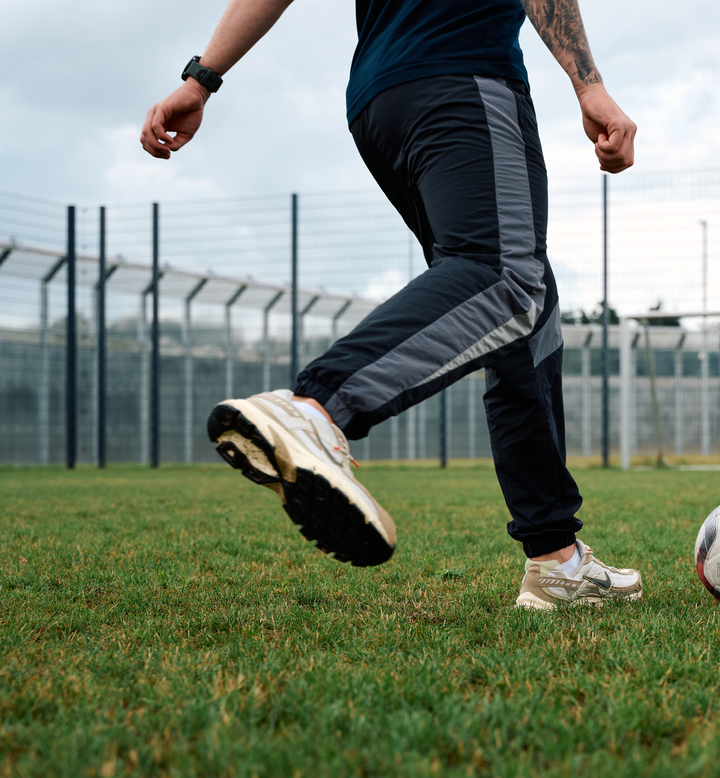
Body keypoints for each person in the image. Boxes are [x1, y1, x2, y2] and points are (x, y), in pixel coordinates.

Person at [139, 0, 641, 610]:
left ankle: (555, 558)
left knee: (524, 317)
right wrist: (590, 85)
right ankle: (317, 409)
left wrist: (200, 79)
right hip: (465, 72)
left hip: (380, 101)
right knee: (507, 281)